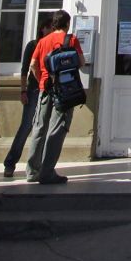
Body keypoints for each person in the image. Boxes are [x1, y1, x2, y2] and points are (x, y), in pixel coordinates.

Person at [26, 10, 84, 184]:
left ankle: (32, 170)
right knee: (57, 129)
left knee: (39, 127)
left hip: (45, 88)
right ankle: (47, 171)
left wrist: (41, 81)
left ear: (53, 25)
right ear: (67, 24)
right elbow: (81, 62)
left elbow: (33, 64)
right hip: (65, 90)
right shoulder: (71, 40)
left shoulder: (43, 41)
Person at [1, 21, 51, 179]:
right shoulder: (33, 45)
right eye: (49, 27)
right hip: (33, 90)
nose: (51, 31)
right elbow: (25, 69)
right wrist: (23, 90)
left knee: (44, 128)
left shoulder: (52, 45)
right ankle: (10, 163)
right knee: (26, 127)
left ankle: (38, 165)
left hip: (47, 90)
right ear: (42, 28)